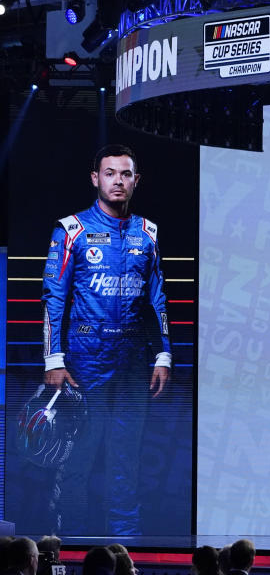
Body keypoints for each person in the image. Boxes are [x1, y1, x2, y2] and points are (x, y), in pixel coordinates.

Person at [42, 145, 171, 535]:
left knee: (126, 460)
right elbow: (53, 298)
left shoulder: (147, 233)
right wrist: (54, 360)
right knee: (78, 458)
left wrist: (163, 354)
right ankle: (69, 547)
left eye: (126, 173)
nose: (118, 180)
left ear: (136, 180)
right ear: (95, 178)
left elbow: (157, 298)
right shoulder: (71, 230)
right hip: (83, 365)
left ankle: (126, 553)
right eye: (110, 173)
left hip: (132, 368)